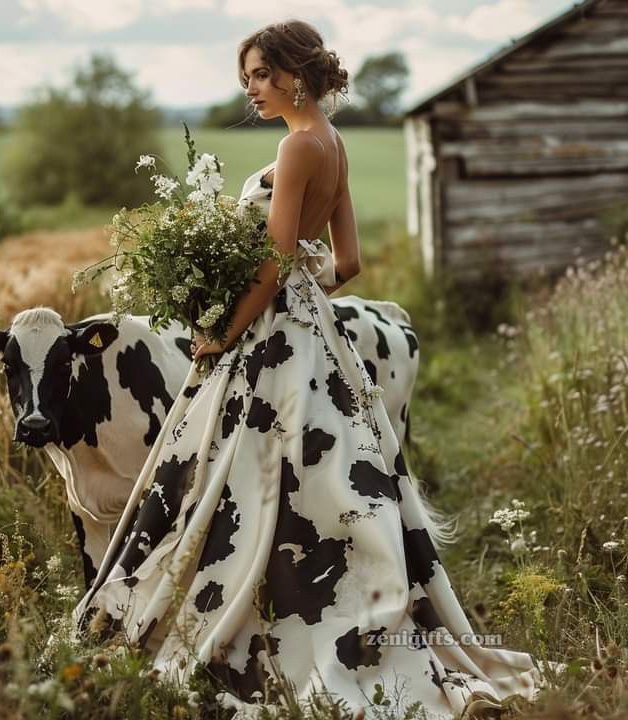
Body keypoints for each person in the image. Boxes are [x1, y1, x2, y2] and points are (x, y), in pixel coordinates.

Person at [73, 19, 552, 719]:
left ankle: (256, 625)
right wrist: (301, 293)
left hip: (269, 338)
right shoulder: (335, 142)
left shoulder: (297, 147)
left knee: (240, 480)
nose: (253, 89)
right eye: (246, 79)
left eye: (263, 74)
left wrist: (225, 330)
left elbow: (270, 263)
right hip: (316, 334)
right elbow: (348, 263)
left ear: (297, 73)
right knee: (305, 481)